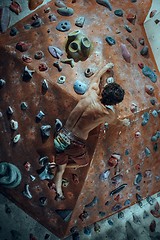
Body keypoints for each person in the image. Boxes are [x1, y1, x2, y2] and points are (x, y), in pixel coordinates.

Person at [49, 63, 130, 200]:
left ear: (103, 89)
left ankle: (58, 184)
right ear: (114, 103)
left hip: (60, 136)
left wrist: (105, 67)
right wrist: (124, 122)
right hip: (74, 144)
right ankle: (60, 165)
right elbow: (117, 121)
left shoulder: (91, 92)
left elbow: (96, 78)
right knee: (84, 162)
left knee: (61, 163)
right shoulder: (107, 113)